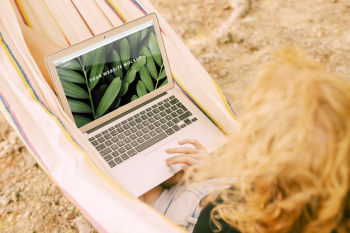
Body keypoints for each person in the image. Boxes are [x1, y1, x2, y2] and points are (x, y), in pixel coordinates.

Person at [21, 24, 350, 232]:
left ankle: (14, 35)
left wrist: (194, 183)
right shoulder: (332, 202)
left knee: (101, 130)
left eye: (257, 138)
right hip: (227, 193)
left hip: (181, 215)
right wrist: (209, 169)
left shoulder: (220, 223)